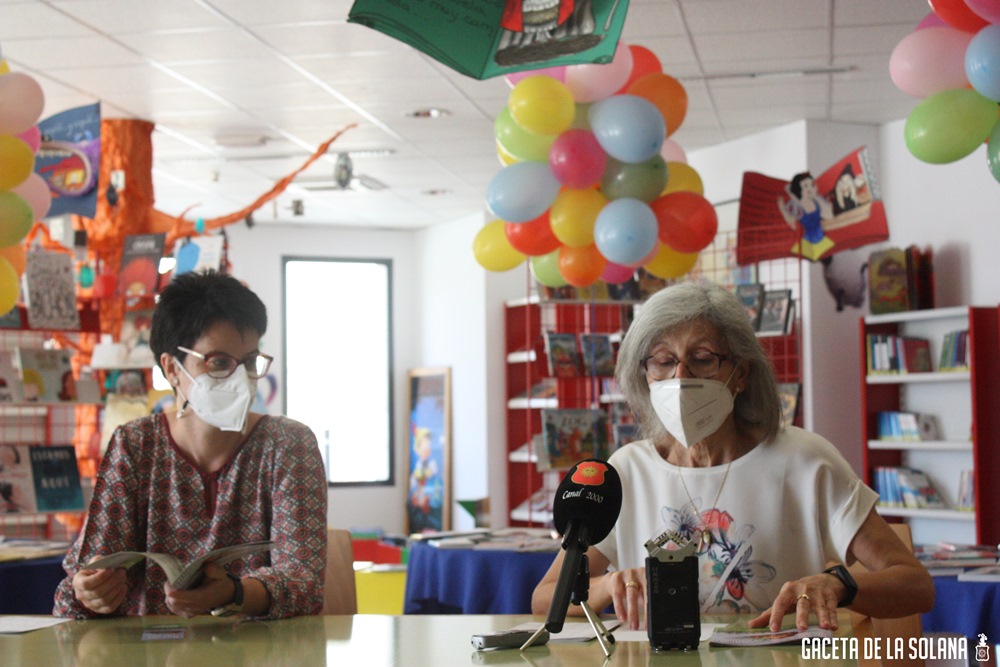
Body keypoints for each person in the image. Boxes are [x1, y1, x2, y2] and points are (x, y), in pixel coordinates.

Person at [531, 282, 934, 632]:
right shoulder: (626, 471)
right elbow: (545, 598)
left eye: (703, 358)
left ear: (740, 374)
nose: (681, 377)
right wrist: (606, 586)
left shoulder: (805, 461)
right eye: (664, 360)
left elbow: (916, 586)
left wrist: (841, 584)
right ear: (644, 375)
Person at [53, 271, 328, 619]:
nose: (239, 379)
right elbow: (81, 581)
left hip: (262, 653)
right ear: (171, 368)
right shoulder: (136, 446)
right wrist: (90, 592)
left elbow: (305, 583)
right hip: (150, 653)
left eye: (249, 362)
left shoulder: (288, 445)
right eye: (218, 362)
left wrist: (236, 593)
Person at [777, 172, 835, 262]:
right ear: (800, 190)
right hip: (809, 243)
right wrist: (782, 208)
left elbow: (829, 215)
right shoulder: (797, 206)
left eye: (811, 185)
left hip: (822, 240)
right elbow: (792, 224)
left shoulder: (816, 200)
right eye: (806, 186)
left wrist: (815, 195)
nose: (810, 188)